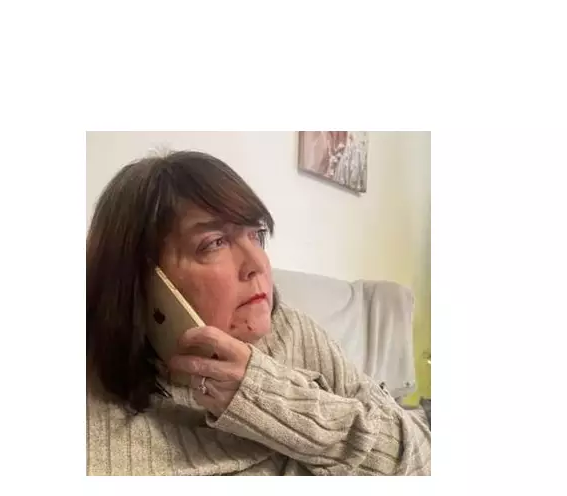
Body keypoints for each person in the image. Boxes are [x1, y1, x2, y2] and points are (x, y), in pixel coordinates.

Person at [86, 150, 431, 476]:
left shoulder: (292, 329)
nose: (258, 263)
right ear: (143, 281)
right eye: (214, 242)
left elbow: (419, 458)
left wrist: (264, 396)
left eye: (256, 236)